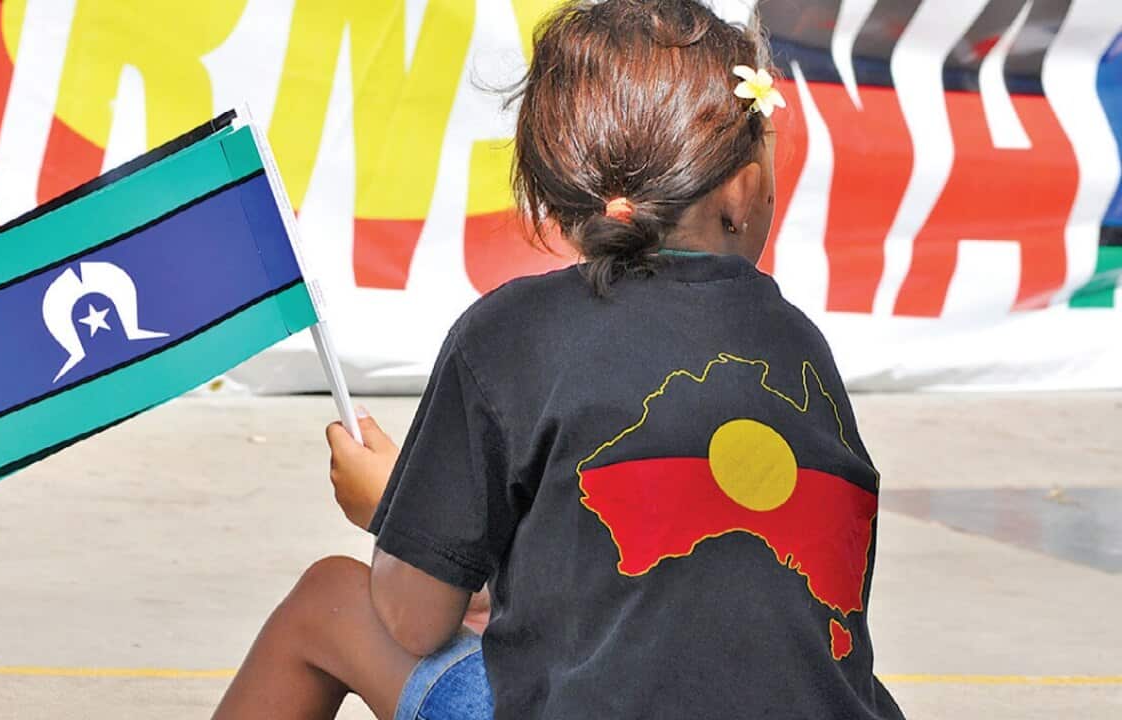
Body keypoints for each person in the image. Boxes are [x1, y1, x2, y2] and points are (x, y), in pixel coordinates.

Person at [214, 0, 905, 718]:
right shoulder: (796, 349)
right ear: (742, 190)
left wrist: (394, 513)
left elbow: (412, 620)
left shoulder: (509, 336)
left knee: (329, 601)